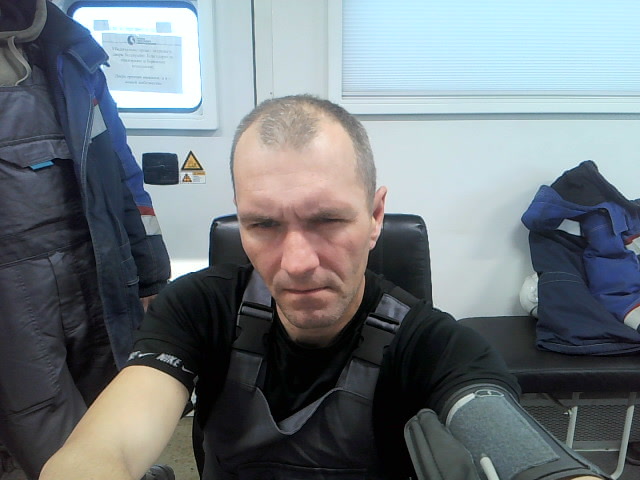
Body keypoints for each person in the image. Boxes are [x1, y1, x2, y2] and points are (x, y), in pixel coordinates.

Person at [40, 95, 606, 480]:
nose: (297, 263)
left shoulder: (432, 343)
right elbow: (105, 447)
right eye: (263, 224)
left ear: (376, 216)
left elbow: (519, 449)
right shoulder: (197, 309)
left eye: (328, 220)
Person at [0, 1, 172, 479]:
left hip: (98, 262)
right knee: (41, 426)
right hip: (15, 288)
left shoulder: (71, 51)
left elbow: (120, 166)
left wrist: (151, 273)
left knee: (113, 401)